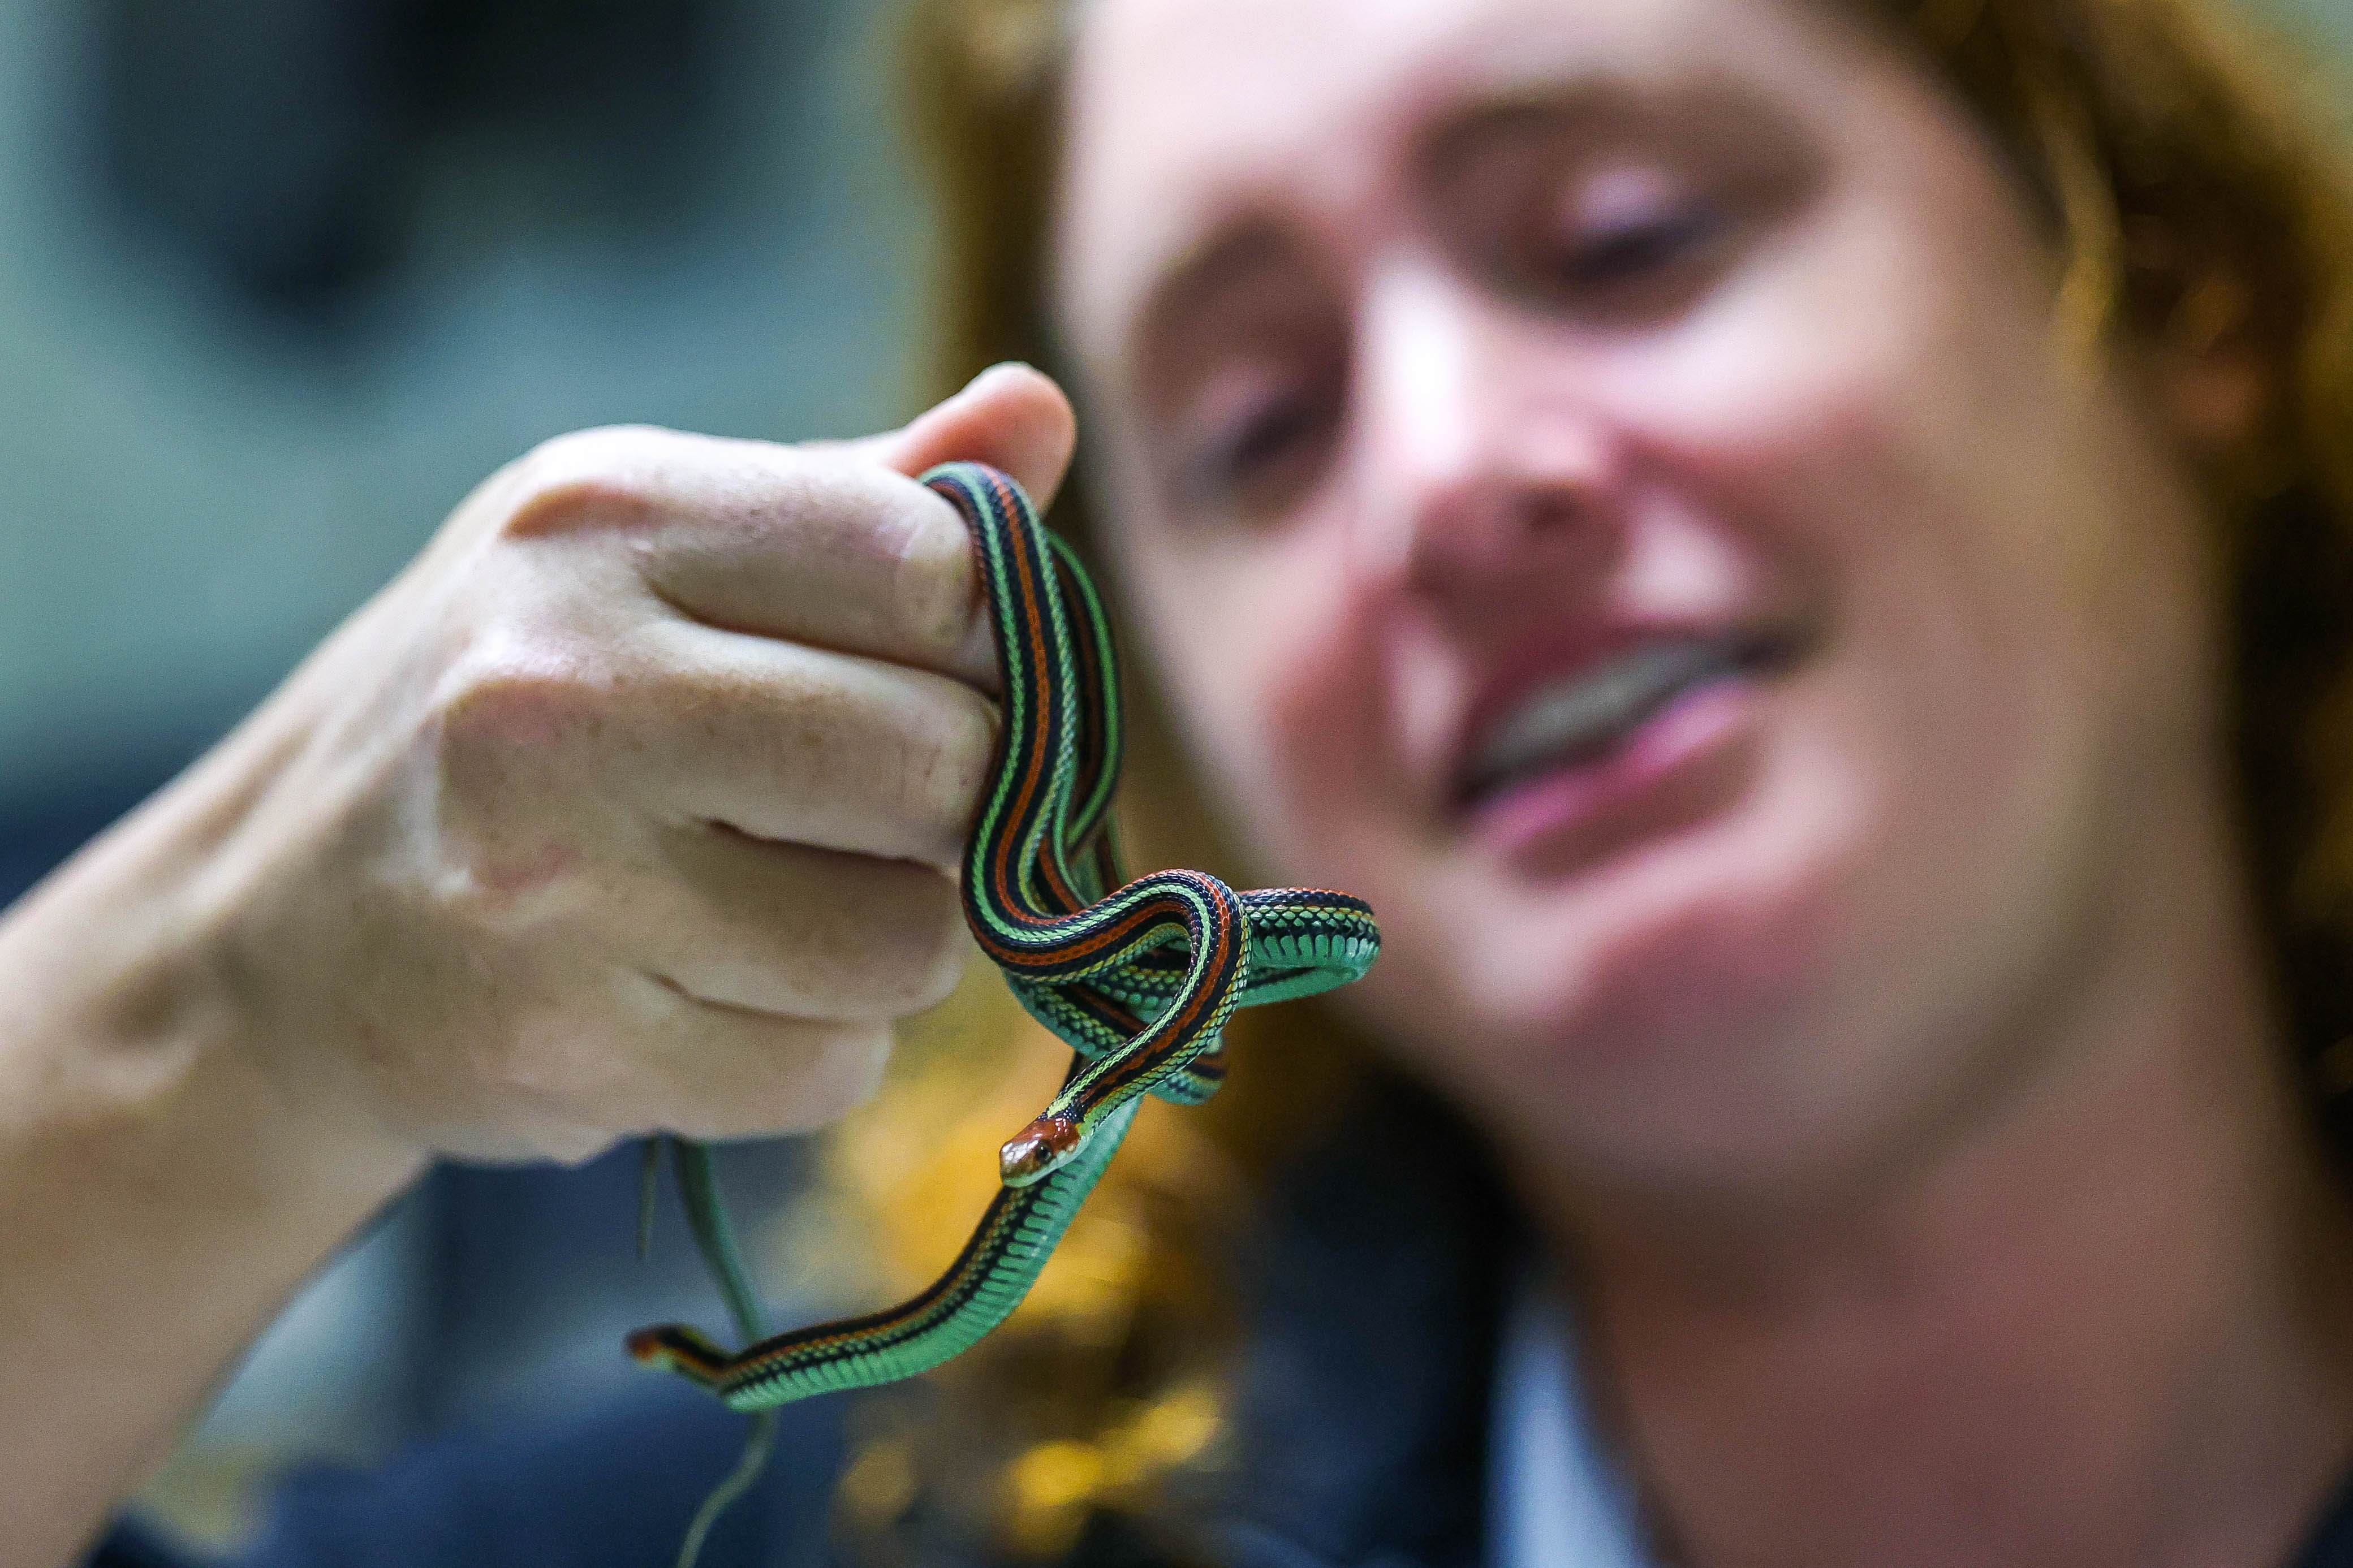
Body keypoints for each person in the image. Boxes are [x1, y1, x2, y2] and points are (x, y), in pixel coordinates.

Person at [14, 0, 2353, 1563]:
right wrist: (221, 1008)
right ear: (1178, 731)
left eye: (1622, 239)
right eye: (1258, 426)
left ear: (2174, 292)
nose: (1444, 478)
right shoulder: (945, 1509)